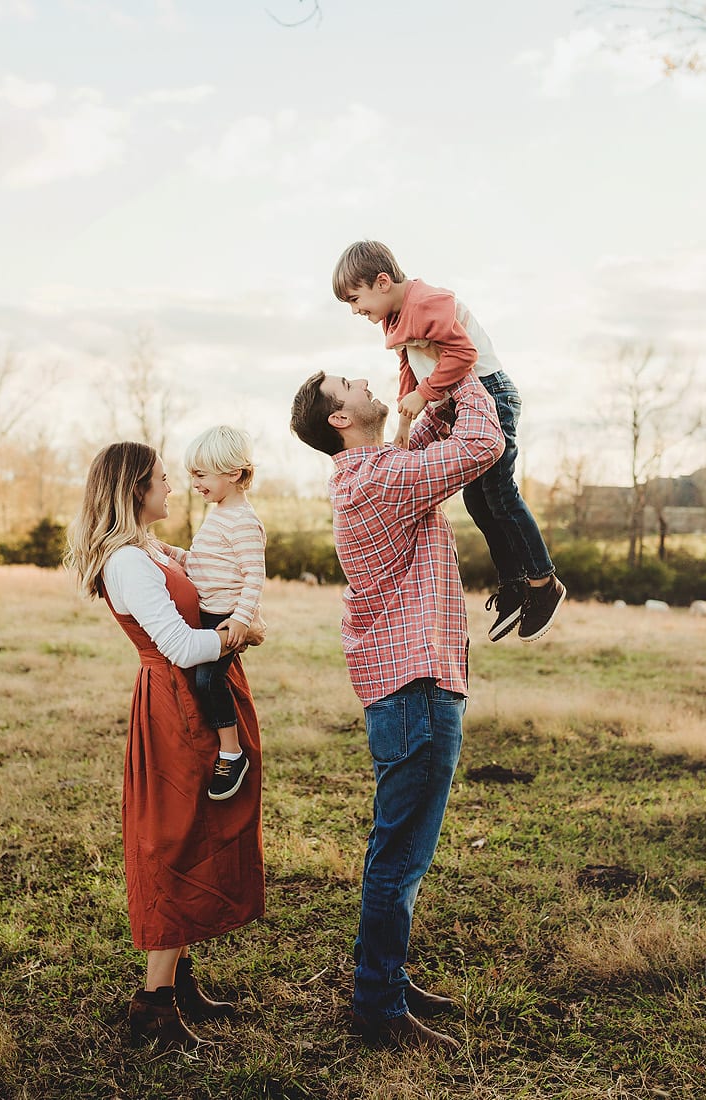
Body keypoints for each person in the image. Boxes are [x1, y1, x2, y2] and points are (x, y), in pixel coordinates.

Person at [288, 367, 502, 1053]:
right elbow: (480, 446)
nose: (363, 381)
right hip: (415, 690)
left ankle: (388, 982)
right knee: (399, 855)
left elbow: (428, 442)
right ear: (338, 420)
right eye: (348, 385)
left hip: (411, 685)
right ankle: (377, 1007)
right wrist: (465, 373)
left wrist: (424, 386)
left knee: (402, 850)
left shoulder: (378, 471)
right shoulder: (378, 481)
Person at [66, 441, 266, 1053]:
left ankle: (178, 983)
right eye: (159, 480)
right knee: (176, 840)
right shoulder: (126, 562)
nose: (172, 488)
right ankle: (152, 1007)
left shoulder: (151, 549)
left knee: (200, 834)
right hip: (174, 709)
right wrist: (242, 633)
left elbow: (213, 572)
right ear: (134, 491)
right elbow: (180, 647)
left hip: (196, 702)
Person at [332, 239, 566, 643]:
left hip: (491, 395)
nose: (356, 311)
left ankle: (544, 583)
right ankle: (512, 581)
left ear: (382, 282)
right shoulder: (396, 318)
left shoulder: (427, 303)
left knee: (500, 493)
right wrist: (405, 421)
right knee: (477, 498)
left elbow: (464, 355)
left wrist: (424, 395)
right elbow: (409, 367)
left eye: (356, 299)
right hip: (459, 402)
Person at [172, 425, 266, 802]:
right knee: (202, 680)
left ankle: (232, 752)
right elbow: (198, 563)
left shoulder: (242, 520)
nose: (194, 483)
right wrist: (162, 550)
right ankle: (221, 743)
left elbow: (254, 575)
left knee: (208, 681)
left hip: (225, 616)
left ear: (233, 474)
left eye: (200, 474)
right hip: (210, 612)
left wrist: (242, 618)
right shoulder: (219, 514)